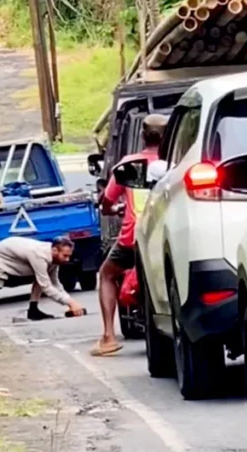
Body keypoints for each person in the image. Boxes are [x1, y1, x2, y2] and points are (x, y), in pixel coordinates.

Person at [92, 113, 168, 357]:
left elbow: (106, 203)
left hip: (132, 237)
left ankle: (108, 336)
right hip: (166, 235)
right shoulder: (176, 162)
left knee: (106, 274)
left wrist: (114, 209)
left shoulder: (129, 165)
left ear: (142, 136)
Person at [0, 236, 85, 326]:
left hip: (16, 259)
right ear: (55, 250)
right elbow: (46, 286)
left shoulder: (53, 258)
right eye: (65, 256)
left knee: (41, 278)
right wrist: (71, 303)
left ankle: (33, 310)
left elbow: (55, 283)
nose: (67, 260)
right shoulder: (39, 255)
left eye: (69, 256)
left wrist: (71, 303)